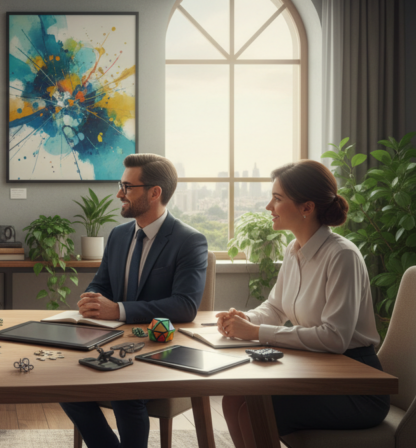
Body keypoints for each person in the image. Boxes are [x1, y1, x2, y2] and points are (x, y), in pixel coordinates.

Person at [216, 160, 389, 447]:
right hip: (317, 372)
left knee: (253, 412)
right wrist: (245, 320)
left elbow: (334, 338)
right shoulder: (293, 250)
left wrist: (256, 333)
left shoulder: (342, 256)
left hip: (355, 385)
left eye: (277, 198)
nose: (269, 207)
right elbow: (275, 308)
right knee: (234, 399)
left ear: (306, 208)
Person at [62, 154, 210, 448]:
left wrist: (118, 310)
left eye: (127, 187)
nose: (119, 194)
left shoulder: (189, 241)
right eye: (121, 185)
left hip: (162, 348)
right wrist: (91, 301)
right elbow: (101, 285)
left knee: (123, 390)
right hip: (113, 343)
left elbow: (184, 305)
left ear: (155, 193)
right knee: (60, 383)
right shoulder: (117, 236)